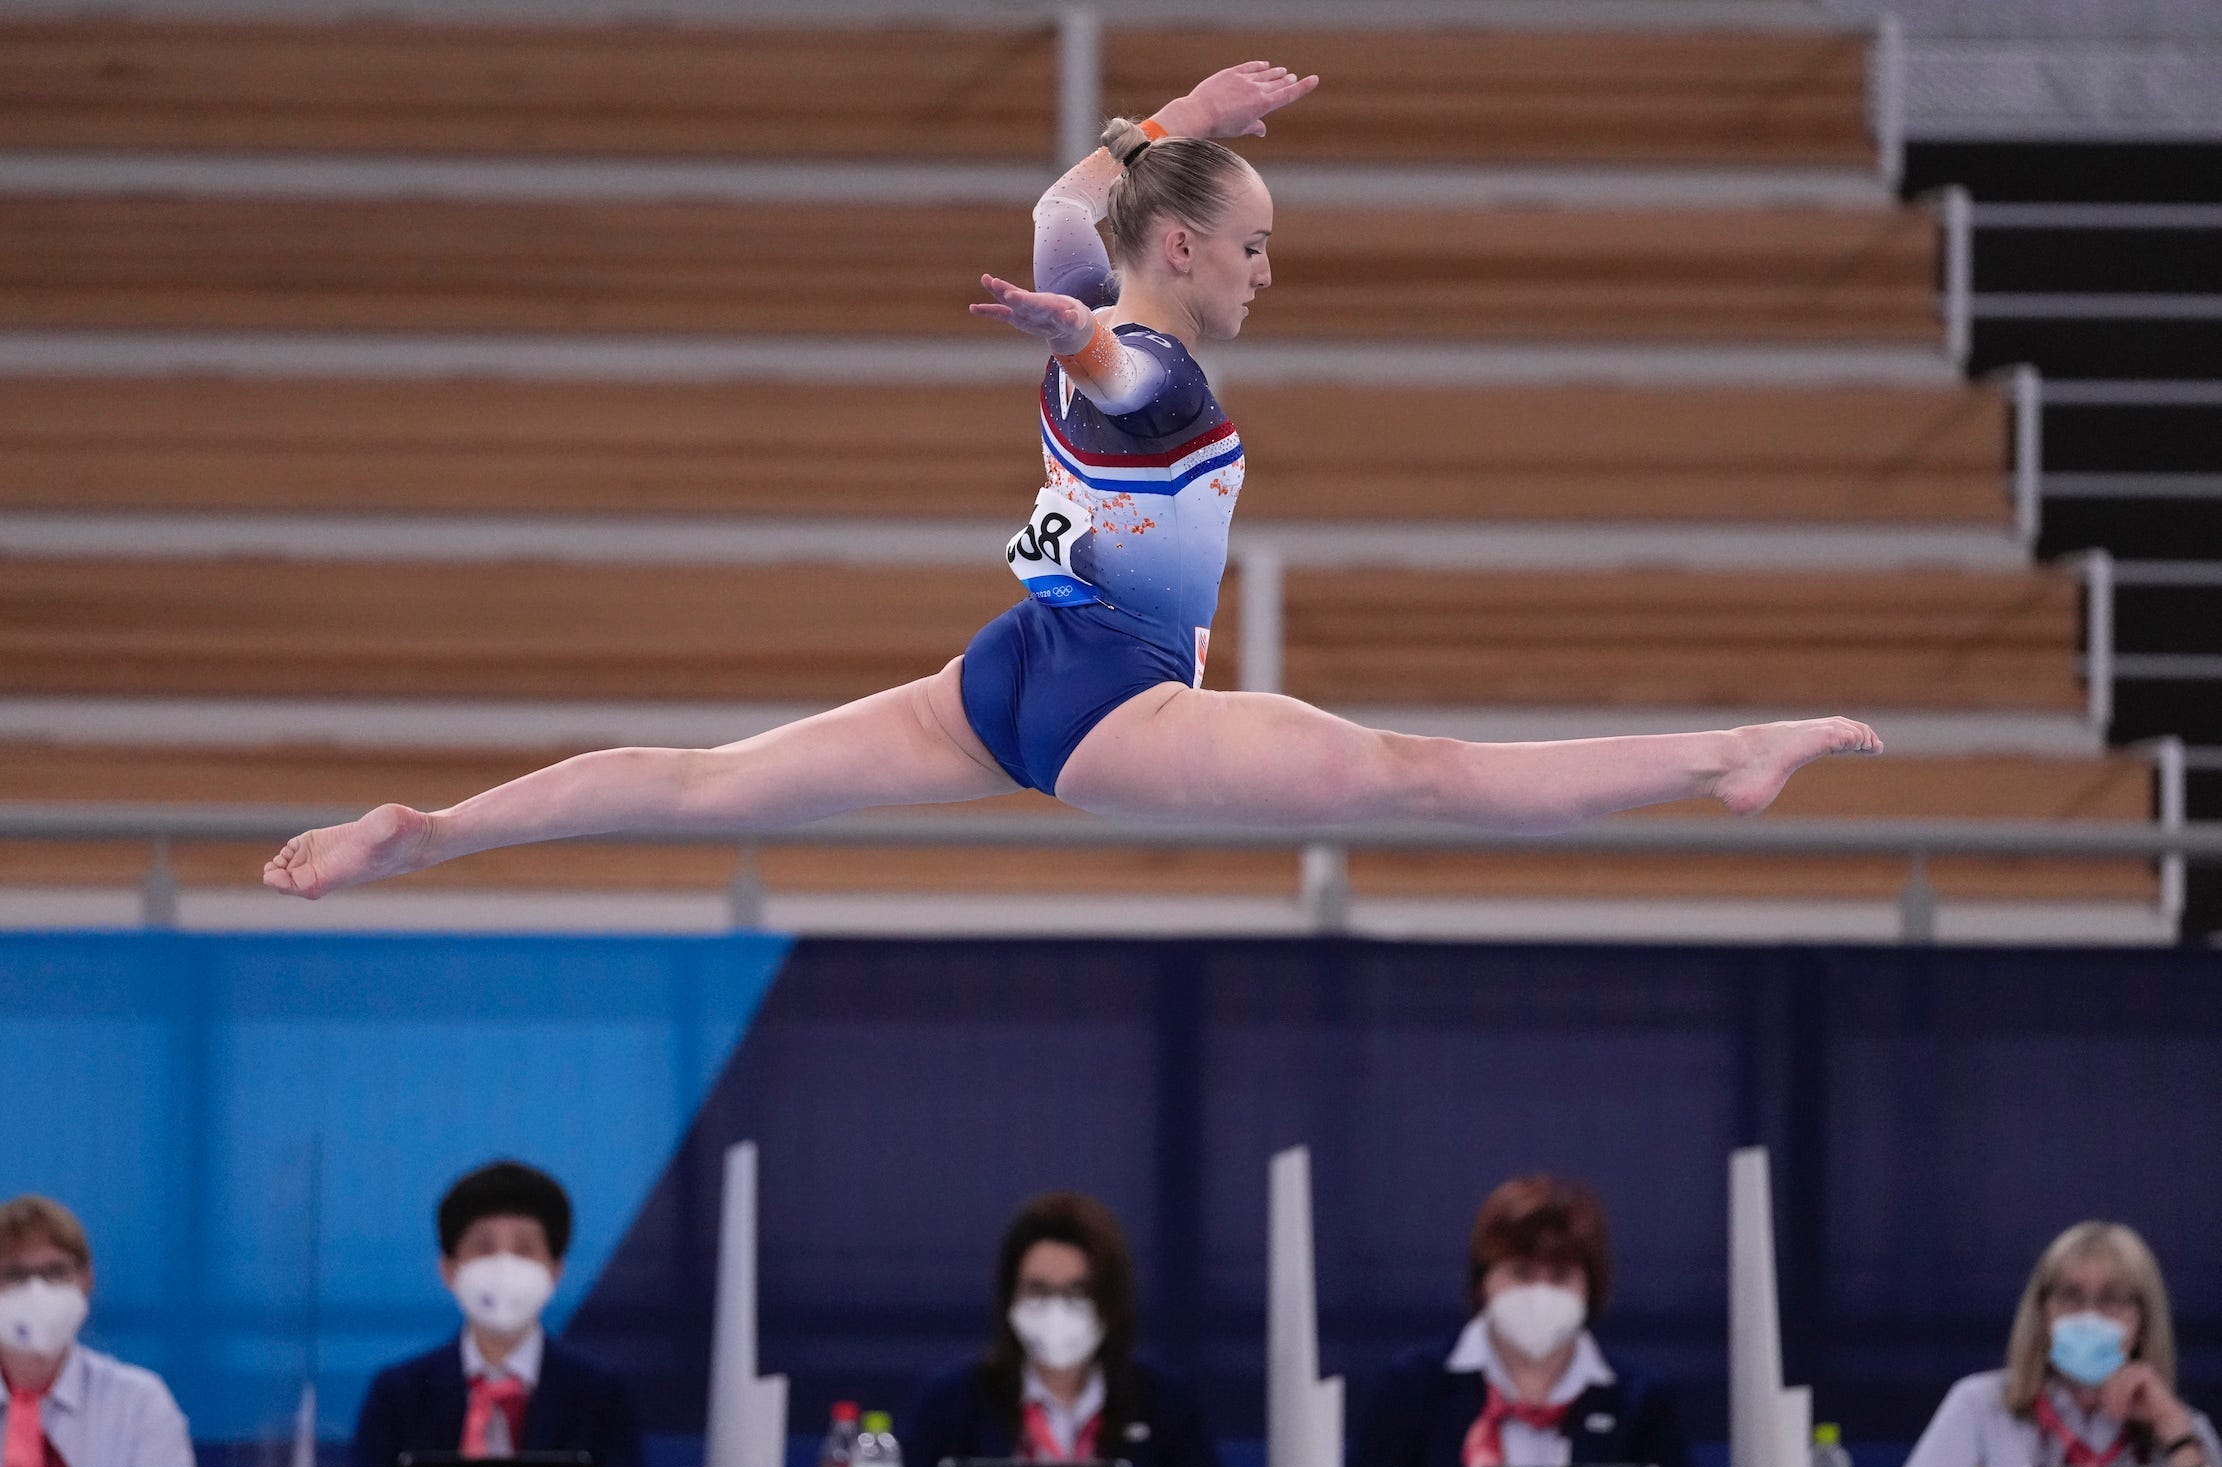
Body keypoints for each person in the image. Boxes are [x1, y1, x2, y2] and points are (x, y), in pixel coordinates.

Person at [260, 61, 1880, 903]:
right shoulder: (1150, 360)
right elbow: (1128, 374)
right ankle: (1724, 750)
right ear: (1183, 247)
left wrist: (1173, 123)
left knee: (703, 781)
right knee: (1425, 776)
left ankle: (435, 830)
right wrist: (1085, 340)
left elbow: (1065, 210)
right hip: (1119, 708)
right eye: (1253, 245)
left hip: (1009, 671)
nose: (1266, 272)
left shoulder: (1093, 285)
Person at [1352, 1174, 1693, 1467]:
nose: (1539, 1294)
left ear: (1591, 1287)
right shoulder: (1412, 1389)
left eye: (1560, 1277)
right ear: (1483, 1279)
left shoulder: (1642, 1402)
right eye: (1521, 1273)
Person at [351, 1160, 640, 1467]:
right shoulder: (398, 1396)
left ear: (556, 1271)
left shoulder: (599, 1397)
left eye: (524, 1249)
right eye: (484, 1247)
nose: (504, 1266)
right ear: (448, 1270)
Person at [905, 1191, 1220, 1467]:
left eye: (1077, 1292)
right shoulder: (952, 1404)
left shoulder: (1166, 1407)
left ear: (1111, 1299)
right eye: (1038, 1291)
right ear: (1010, 1297)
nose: (1056, 1310)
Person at [1897, 1220, 2218, 1467]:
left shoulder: (2184, 1428)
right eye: (2071, 1297)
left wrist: (2177, 1436)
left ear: (2144, 1319)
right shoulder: (1979, 1407)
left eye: (2112, 1299)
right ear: (2042, 1312)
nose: (2089, 1315)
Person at [0, 1195, 194, 1467]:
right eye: (15, 1275)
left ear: (86, 1280)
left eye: (55, 1272)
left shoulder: (139, 1404)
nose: (36, 1291)